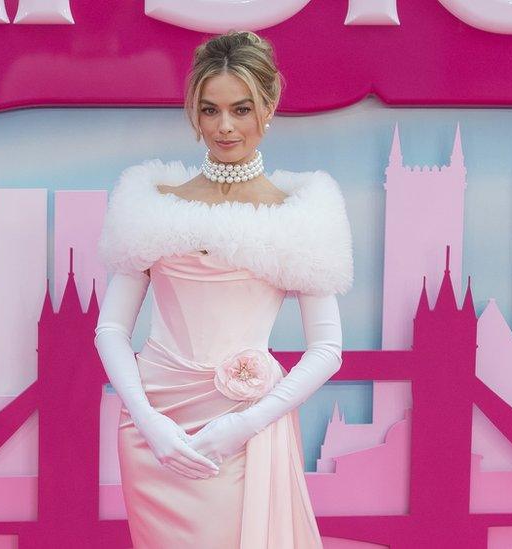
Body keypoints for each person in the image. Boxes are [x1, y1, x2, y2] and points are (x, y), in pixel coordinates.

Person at [94, 30, 353, 548]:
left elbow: (327, 349)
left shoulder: (300, 216)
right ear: (193, 110)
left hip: (243, 430)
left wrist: (243, 427)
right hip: (154, 433)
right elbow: (109, 329)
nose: (225, 126)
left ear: (270, 104)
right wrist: (148, 422)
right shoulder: (152, 205)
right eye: (210, 110)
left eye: (241, 108)